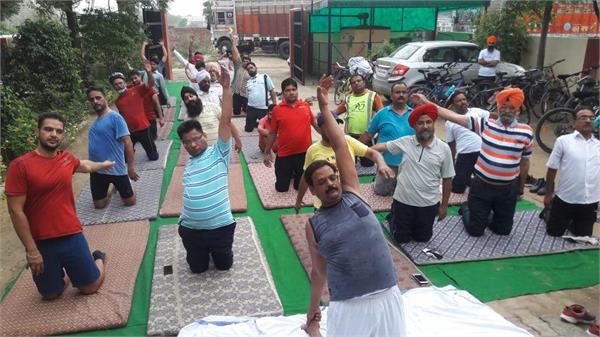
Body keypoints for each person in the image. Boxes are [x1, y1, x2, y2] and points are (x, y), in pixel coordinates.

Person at [303, 75, 406, 337]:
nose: (329, 183)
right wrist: (313, 316)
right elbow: (318, 272)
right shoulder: (314, 224)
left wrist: (325, 108)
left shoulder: (352, 193)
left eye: (331, 177)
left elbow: (340, 143)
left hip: (387, 294)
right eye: (321, 182)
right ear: (313, 191)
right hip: (348, 305)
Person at [5, 112, 111, 300]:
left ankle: (98, 258)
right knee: (50, 294)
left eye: (58, 131)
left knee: (90, 287)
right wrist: (31, 250)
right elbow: (15, 210)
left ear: (62, 136)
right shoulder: (20, 166)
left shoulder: (66, 158)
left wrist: (102, 164)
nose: (54, 134)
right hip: (40, 241)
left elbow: (84, 166)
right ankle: (65, 272)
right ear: (38, 132)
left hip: (71, 234)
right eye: (48, 129)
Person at [413, 87, 534, 237]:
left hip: (507, 190)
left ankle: (486, 214)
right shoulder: (486, 124)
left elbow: (524, 162)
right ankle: (467, 207)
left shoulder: (526, 132)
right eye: (504, 106)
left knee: (503, 231)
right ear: (498, 107)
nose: (507, 111)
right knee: (475, 231)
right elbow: (452, 116)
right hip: (482, 186)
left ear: (518, 111)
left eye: (512, 108)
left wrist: (520, 188)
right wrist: (425, 102)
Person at [176, 65, 236, 273]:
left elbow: (226, 121)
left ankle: (219, 250)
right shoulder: (189, 166)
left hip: (221, 229)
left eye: (196, 139)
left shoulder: (218, 153)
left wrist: (227, 90)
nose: (192, 144)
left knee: (224, 266)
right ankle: (200, 252)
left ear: (204, 136)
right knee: (198, 269)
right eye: (187, 143)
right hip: (192, 231)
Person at [372, 103, 454, 243]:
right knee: (401, 238)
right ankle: (394, 216)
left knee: (422, 239)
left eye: (428, 122)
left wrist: (444, 206)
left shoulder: (444, 148)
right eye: (420, 123)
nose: (425, 126)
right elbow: (380, 147)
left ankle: (398, 218)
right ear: (414, 127)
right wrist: (360, 150)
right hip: (403, 201)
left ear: (433, 124)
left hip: (428, 204)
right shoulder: (406, 142)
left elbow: (447, 179)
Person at [295, 111, 394, 211]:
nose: (334, 129)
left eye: (336, 124)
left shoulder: (347, 141)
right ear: (320, 129)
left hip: (349, 199)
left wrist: (382, 164)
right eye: (328, 125)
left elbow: (372, 153)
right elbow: (305, 177)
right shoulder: (313, 150)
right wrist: (299, 200)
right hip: (325, 203)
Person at [544, 108, 600, 237]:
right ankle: (547, 213)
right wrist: (548, 194)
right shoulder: (563, 141)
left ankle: (573, 223)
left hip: (589, 202)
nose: (588, 121)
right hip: (565, 199)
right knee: (554, 233)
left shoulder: (598, 145)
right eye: (583, 117)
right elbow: (552, 169)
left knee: (582, 236)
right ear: (574, 123)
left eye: (591, 118)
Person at [87, 86, 139, 209]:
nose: (95, 101)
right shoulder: (95, 122)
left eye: (98, 98)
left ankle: (126, 186)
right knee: (99, 205)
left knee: (130, 202)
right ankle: (112, 187)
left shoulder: (115, 118)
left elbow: (128, 142)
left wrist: (130, 168)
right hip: (97, 170)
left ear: (105, 98)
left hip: (116, 168)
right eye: (92, 99)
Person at [263, 78, 315, 192]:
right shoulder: (277, 110)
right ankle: (289, 175)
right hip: (285, 154)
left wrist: (329, 137)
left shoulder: (305, 106)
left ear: (297, 91)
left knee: (299, 187)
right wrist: (267, 152)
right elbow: (272, 133)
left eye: (294, 89)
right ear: (283, 93)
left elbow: (315, 124)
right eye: (287, 90)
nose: (291, 92)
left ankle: (294, 176)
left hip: (304, 154)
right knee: (281, 188)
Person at [364, 82, 414, 196]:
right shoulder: (381, 114)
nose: (401, 95)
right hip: (386, 165)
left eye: (404, 92)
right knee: (381, 193)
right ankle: (376, 179)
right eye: (397, 92)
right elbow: (368, 135)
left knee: (407, 196)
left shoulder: (415, 115)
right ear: (391, 95)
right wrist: (354, 150)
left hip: (409, 166)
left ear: (407, 95)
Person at [110, 63, 159, 161]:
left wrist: (149, 72)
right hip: (128, 132)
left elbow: (150, 84)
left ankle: (152, 150)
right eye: (116, 84)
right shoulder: (117, 101)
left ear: (124, 82)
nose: (119, 86)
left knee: (153, 157)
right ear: (113, 87)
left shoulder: (136, 90)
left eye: (120, 83)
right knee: (126, 159)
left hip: (143, 129)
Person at [445, 90, 489, 193]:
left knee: (486, 185)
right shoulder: (450, 122)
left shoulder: (477, 111)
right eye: (459, 101)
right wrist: (451, 165)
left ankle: (473, 180)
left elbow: (492, 117)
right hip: (465, 155)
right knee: (458, 189)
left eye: (464, 99)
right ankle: (470, 179)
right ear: (453, 104)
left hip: (482, 153)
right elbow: (451, 144)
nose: (463, 102)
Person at [335, 74, 384, 167]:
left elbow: (382, 114)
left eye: (359, 81)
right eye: (353, 82)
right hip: (350, 137)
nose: (356, 83)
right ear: (351, 86)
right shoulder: (348, 98)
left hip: (367, 137)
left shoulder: (373, 96)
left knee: (368, 165)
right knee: (350, 164)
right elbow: (337, 111)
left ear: (364, 82)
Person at [180, 86, 242, 151]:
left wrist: (237, 140)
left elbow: (228, 123)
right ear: (184, 102)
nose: (189, 99)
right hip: (202, 154)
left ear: (196, 96)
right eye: (186, 98)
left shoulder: (213, 107)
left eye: (191, 96)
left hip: (221, 149)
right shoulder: (187, 119)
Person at [129, 70, 164, 140]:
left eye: (135, 78)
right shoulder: (130, 90)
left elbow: (157, 104)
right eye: (132, 79)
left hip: (150, 119)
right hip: (139, 121)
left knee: (152, 140)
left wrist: (161, 118)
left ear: (140, 77)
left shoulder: (148, 88)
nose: (134, 80)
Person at [244, 61, 278, 132]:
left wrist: (274, 105)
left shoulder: (264, 77)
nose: (250, 70)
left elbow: (272, 90)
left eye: (251, 67)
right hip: (251, 108)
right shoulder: (248, 82)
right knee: (248, 129)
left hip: (263, 108)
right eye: (248, 69)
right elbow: (248, 96)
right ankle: (257, 123)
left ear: (256, 68)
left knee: (268, 129)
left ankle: (260, 123)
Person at [231, 34, 251, 116]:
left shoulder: (251, 70)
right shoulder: (238, 66)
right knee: (236, 112)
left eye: (247, 61)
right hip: (236, 94)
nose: (245, 62)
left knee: (247, 112)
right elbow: (236, 54)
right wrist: (234, 43)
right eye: (244, 60)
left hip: (246, 95)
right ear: (241, 62)